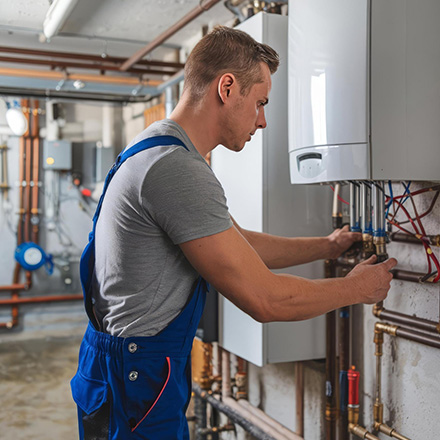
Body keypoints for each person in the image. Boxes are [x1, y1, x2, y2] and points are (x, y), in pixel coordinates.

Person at [71, 26, 397, 440]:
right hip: (137, 378)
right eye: (260, 103)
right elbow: (266, 298)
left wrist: (327, 246)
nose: (262, 121)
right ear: (227, 88)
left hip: (117, 368)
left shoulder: (154, 147)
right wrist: (357, 289)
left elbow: (240, 244)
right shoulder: (176, 169)